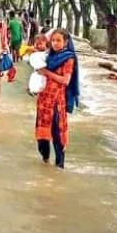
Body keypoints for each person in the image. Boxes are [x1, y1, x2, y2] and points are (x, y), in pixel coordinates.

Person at [34, 29, 79, 168]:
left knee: (57, 133)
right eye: (53, 40)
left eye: (58, 40)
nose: (55, 43)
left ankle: (59, 166)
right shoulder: (48, 56)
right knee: (42, 134)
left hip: (57, 100)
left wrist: (46, 72)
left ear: (66, 42)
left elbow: (65, 80)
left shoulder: (68, 58)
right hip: (43, 100)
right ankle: (45, 162)